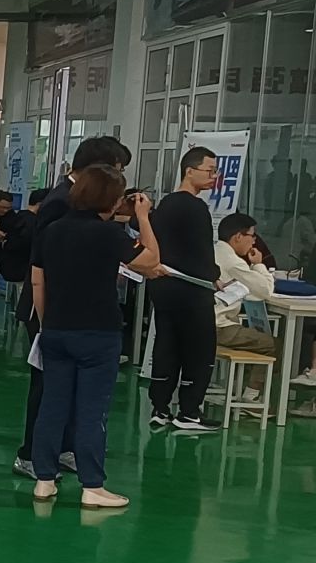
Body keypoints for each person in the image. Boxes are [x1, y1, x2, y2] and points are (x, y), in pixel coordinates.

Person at [31, 165, 163, 508]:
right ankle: (92, 485)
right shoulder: (108, 234)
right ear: (112, 200)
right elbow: (151, 261)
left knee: (52, 406)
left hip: (55, 330)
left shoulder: (52, 230)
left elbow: (37, 282)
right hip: (97, 333)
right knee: (91, 410)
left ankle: (44, 480)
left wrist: (47, 325)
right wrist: (143, 217)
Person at [12, 137, 131, 478]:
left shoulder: (76, 201)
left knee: (67, 388)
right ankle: (31, 454)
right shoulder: (62, 202)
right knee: (47, 388)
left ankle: (63, 448)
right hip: (53, 307)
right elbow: (44, 263)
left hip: (70, 309)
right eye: (115, 170)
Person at [148, 146, 226, 433]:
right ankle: (190, 411)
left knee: (167, 345)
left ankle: (160, 407)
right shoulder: (195, 207)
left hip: (164, 288)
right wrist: (214, 276)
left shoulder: (166, 204)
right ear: (189, 171)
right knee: (199, 350)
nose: (214, 177)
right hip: (192, 292)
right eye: (210, 171)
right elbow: (201, 250)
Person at [215, 212, 282, 365]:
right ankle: (255, 383)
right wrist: (258, 264)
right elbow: (266, 290)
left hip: (205, 322)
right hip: (220, 328)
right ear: (238, 236)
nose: (254, 241)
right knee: (276, 345)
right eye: (252, 236)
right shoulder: (233, 262)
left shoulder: (214, 251)